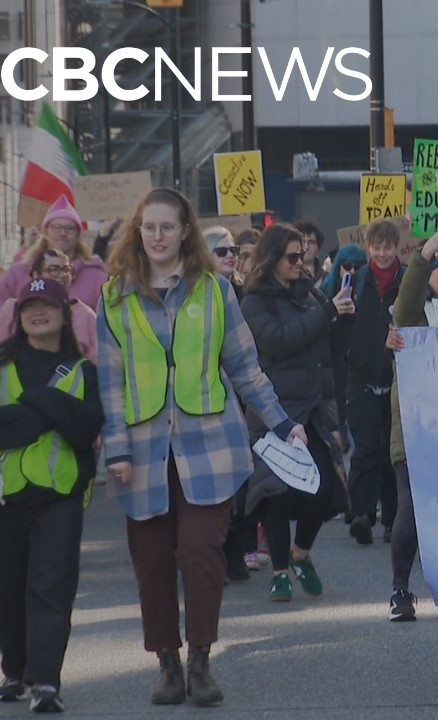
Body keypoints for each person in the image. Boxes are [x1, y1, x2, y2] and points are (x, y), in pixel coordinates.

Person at [97, 187, 304, 707]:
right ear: (138, 232)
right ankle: (167, 662)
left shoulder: (215, 291)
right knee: (151, 562)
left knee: (199, 553)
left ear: (186, 231)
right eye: (150, 227)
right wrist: (115, 449)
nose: (159, 236)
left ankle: (201, 661)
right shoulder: (114, 296)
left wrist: (282, 423)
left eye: (169, 227)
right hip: (142, 452)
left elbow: (245, 367)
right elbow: (111, 382)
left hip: (209, 445)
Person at [0, 277, 104, 713]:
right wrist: (49, 411)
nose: (37, 313)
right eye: (29, 307)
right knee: (6, 592)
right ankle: (15, 671)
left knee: (52, 589)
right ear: (17, 315)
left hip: (60, 495)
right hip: (2, 497)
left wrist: (39, 402)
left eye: (47, 306)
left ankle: (45, 681)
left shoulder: (84, 372)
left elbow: (86, 429)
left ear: (65, 315)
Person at [240, 223, 354, 602]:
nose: (300, 263)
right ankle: (279, 571)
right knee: (277, 492)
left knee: (323, 489)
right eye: (292, 256)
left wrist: (344, 318)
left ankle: (300, 554)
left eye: (302, 255)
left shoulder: (311, 296)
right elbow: (277, 340)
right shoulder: (253, 301)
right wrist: (325, 315)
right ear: (271, 259)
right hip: (275, 410)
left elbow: (332, 349)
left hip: (316, 407)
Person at [384, 227, 438, 621]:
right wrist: (424, 255)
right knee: (412, 508)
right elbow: (406, 299)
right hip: (415, 425)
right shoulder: (412, 318)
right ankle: (400, 589)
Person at [339, 220, 404, 545]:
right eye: (376, 247)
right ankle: (362, 513)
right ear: (368, 247)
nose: (381, 253)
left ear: (396, 247)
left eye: (387, 247)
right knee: (365, 448)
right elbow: (338, 327)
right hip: (361, 375)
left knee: (390, 453)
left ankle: (393, 518)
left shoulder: (406, 280)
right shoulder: (355, 280)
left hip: (396, 376)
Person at [0, 196, 107, 355]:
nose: (62, 233)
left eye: (70, 228)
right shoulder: (16, 275)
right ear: (45, 231)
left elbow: (106, 331)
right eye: (56, 227)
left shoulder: (95, 278)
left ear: (79, 235)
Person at [0, 249, 98, 359]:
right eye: (54, 269)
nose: (62, 275)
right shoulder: (12, 307)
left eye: (66, 269)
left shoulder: (85, 314)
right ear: (36, 275)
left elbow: (96, 359)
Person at [318, 243, 368, 452]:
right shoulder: (324, 290)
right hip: (334, 367)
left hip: (359, 366)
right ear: (338, 266)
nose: (352, 271)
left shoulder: (368, 289)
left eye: (358, 266)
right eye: (347, 266)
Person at [203, 226, 243, 298]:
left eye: (233, 250)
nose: (230, 255)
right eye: (221, 251)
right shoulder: (197, 292)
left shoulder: (244, 291)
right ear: (206, 255)